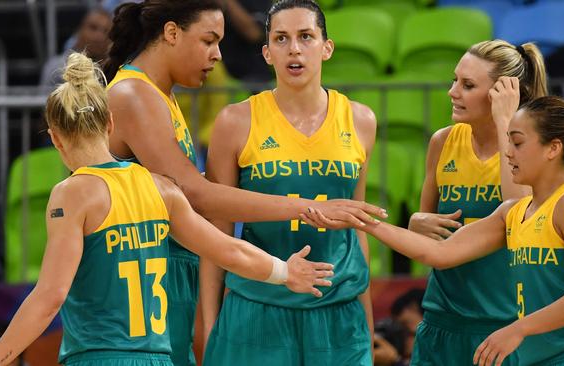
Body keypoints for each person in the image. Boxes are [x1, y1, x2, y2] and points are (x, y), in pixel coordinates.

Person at [0, 52, 335, 366]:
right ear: (110, 123)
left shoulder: (72, 194)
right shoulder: (161, 187)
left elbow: (51, 296)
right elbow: (229, 249)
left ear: (55, 138)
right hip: (160, 357)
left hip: (99, 357)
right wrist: (284, 272)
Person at [102, 1, 385, 365]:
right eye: (209, 41)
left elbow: (186, 194)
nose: (218, 55)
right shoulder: (136, 95)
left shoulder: (162, 97)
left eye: (306, 36)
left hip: (166, 282)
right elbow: (198, 196)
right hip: (141, 289)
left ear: (327, 47)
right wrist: (306, 208)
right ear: (172, 33)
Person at [314, 96, 564, 365]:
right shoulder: (512, 212)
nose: (508, 153)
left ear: (553, 148)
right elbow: (440, 252)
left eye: (517, 142)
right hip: (536, 358)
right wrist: (361, 219)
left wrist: (519, 328)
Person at [202, 0, 376, 364]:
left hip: (339, 312)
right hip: (256, 307)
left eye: (306, 37)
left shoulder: (360, 120)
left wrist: (368, 319)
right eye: (281, 38)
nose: (294, 48)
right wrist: (210, 322)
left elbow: (357, 227)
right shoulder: (235, 121)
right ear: (266, 53)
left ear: (326, 48)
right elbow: (216, 232)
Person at [374, 39, 546, 365]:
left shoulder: (533, 148)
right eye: (455, 80)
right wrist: (414, 223)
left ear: (503, 94)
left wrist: (506, 122)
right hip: (442, 321)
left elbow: (517, 215)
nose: (453, 91)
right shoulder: (442, 142)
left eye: (467, 85)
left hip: (504, 326)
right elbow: (425, 230)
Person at [40, 8, 111, 89]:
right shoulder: (57, 68)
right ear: (80, 30)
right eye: (93, 28)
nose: (99, 36)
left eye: (106, 31)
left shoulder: (115, 72)